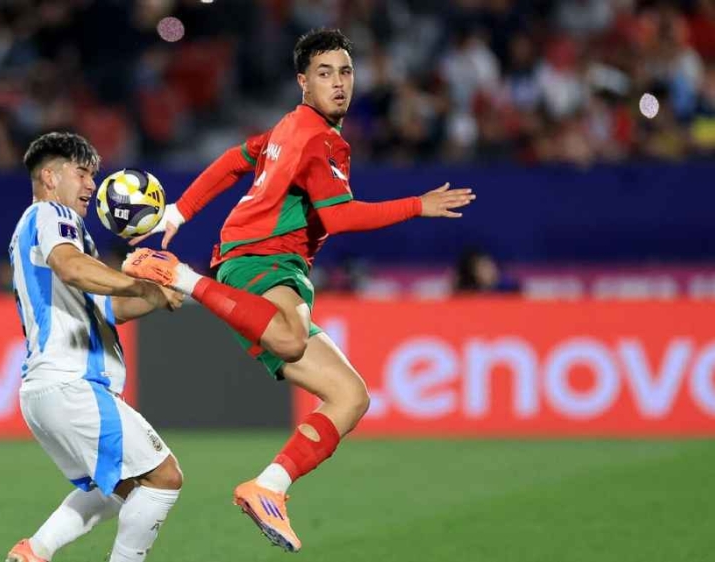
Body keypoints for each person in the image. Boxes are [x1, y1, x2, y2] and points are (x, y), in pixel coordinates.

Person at [125, 29, 475, 552]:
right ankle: (178, 276)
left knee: (350, 396)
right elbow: (339, 216)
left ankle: (269, 487)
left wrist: (181, 209)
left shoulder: (290, 127)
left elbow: (234, 159)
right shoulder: (321, 138)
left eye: (346, 72)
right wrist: (415, 205)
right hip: (261, 260)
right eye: (325, 73)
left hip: (269, 264)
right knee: (289, 339)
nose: (338, 83)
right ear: (303, 82)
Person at [6, 132, 185, 562]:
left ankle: (34, 552)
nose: (92, 186)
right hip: (72, 381)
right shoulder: (50, 214)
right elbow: (70, 267)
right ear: (49, 177)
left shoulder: (51, 233)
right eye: (82, 173)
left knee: (117, 490)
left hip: (48, 389)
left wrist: (164, 290)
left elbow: (109, 307)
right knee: (163, 477)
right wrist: (137, 281)